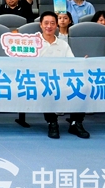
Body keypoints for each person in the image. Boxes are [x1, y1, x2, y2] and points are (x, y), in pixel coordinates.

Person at [37, 11, 89, 139]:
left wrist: (82, 62)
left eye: (52, 23)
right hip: (40, 78)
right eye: (46, 23)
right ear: (40, 25)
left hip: (61, 77)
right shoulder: (33, 43)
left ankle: (76, 123)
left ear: (56, 25)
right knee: (48, 87)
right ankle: (52, 122)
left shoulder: (63, 44)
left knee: (82, 87)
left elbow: (72, 63)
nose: (49, 26)